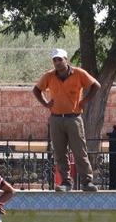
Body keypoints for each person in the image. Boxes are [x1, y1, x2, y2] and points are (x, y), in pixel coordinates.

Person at [33, 48, 100, 192]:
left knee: (79, 151)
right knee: (59, 152)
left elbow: (96, 86)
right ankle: (65, 182)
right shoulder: (49, 76)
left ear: (66, 60)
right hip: (56, 119)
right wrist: (45, 103)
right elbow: (36, 90)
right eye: (55, 60)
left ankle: (87, 182)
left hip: (73, 118)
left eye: (60, 59)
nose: (57, 62)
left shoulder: (79, 73)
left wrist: (84, 101)